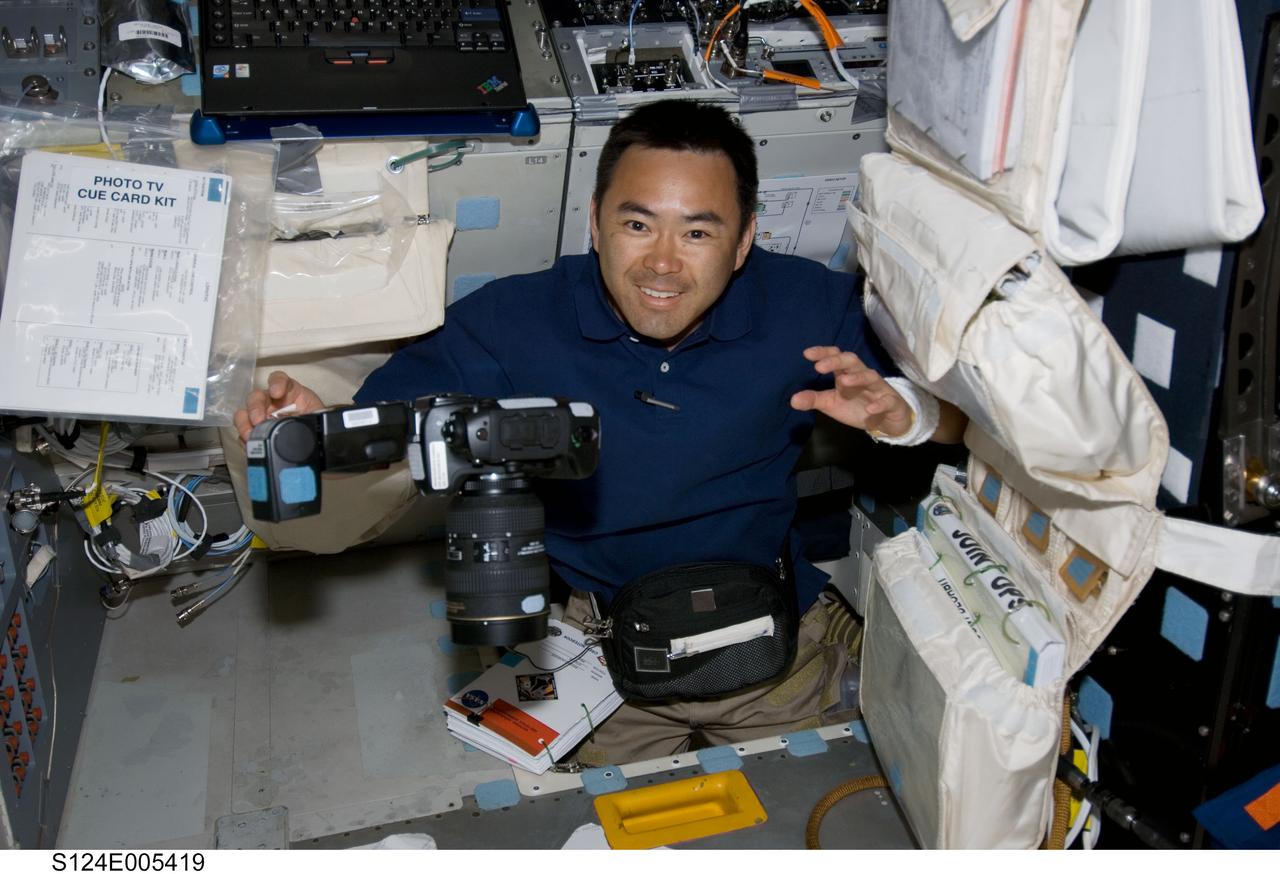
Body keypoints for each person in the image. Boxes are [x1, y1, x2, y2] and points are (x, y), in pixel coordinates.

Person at [235, 99, 965, 764]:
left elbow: (973, 420)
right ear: (595, 221)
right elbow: (385, 427)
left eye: (698, 232)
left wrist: (910, 415)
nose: (662, 264)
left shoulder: (812, 307)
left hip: (773, 629)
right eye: (637, 224)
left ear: (744, 240)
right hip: (600, 650)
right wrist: (314, 429)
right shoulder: (509, 322)